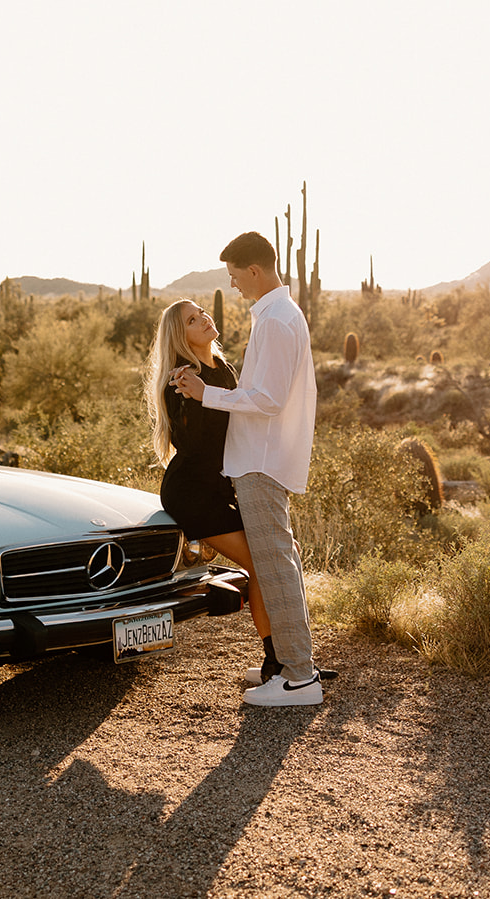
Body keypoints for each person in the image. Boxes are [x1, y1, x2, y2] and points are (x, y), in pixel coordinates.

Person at [172, 231, 323, 707]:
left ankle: (298, 678)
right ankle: (298, 670)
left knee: (276, 566)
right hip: (257, 462)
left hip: (259, 463)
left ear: (254, 271)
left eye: (236, 277)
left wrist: (205, 395)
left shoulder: (276, 322)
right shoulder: (280, 315)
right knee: (279, 564)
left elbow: (268, 400)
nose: (234, 286)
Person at [145, 299, 278, 679]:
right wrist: (200, 396)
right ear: (180, 335)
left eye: (202, 311)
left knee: (275, 559)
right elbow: (197, 447)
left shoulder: (223, 369)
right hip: (192, 492)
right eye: (192, 319)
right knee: (262, 563)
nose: (204, 318)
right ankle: (276, 663)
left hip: (221, 486)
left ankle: (288, 657)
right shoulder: (182, 379)